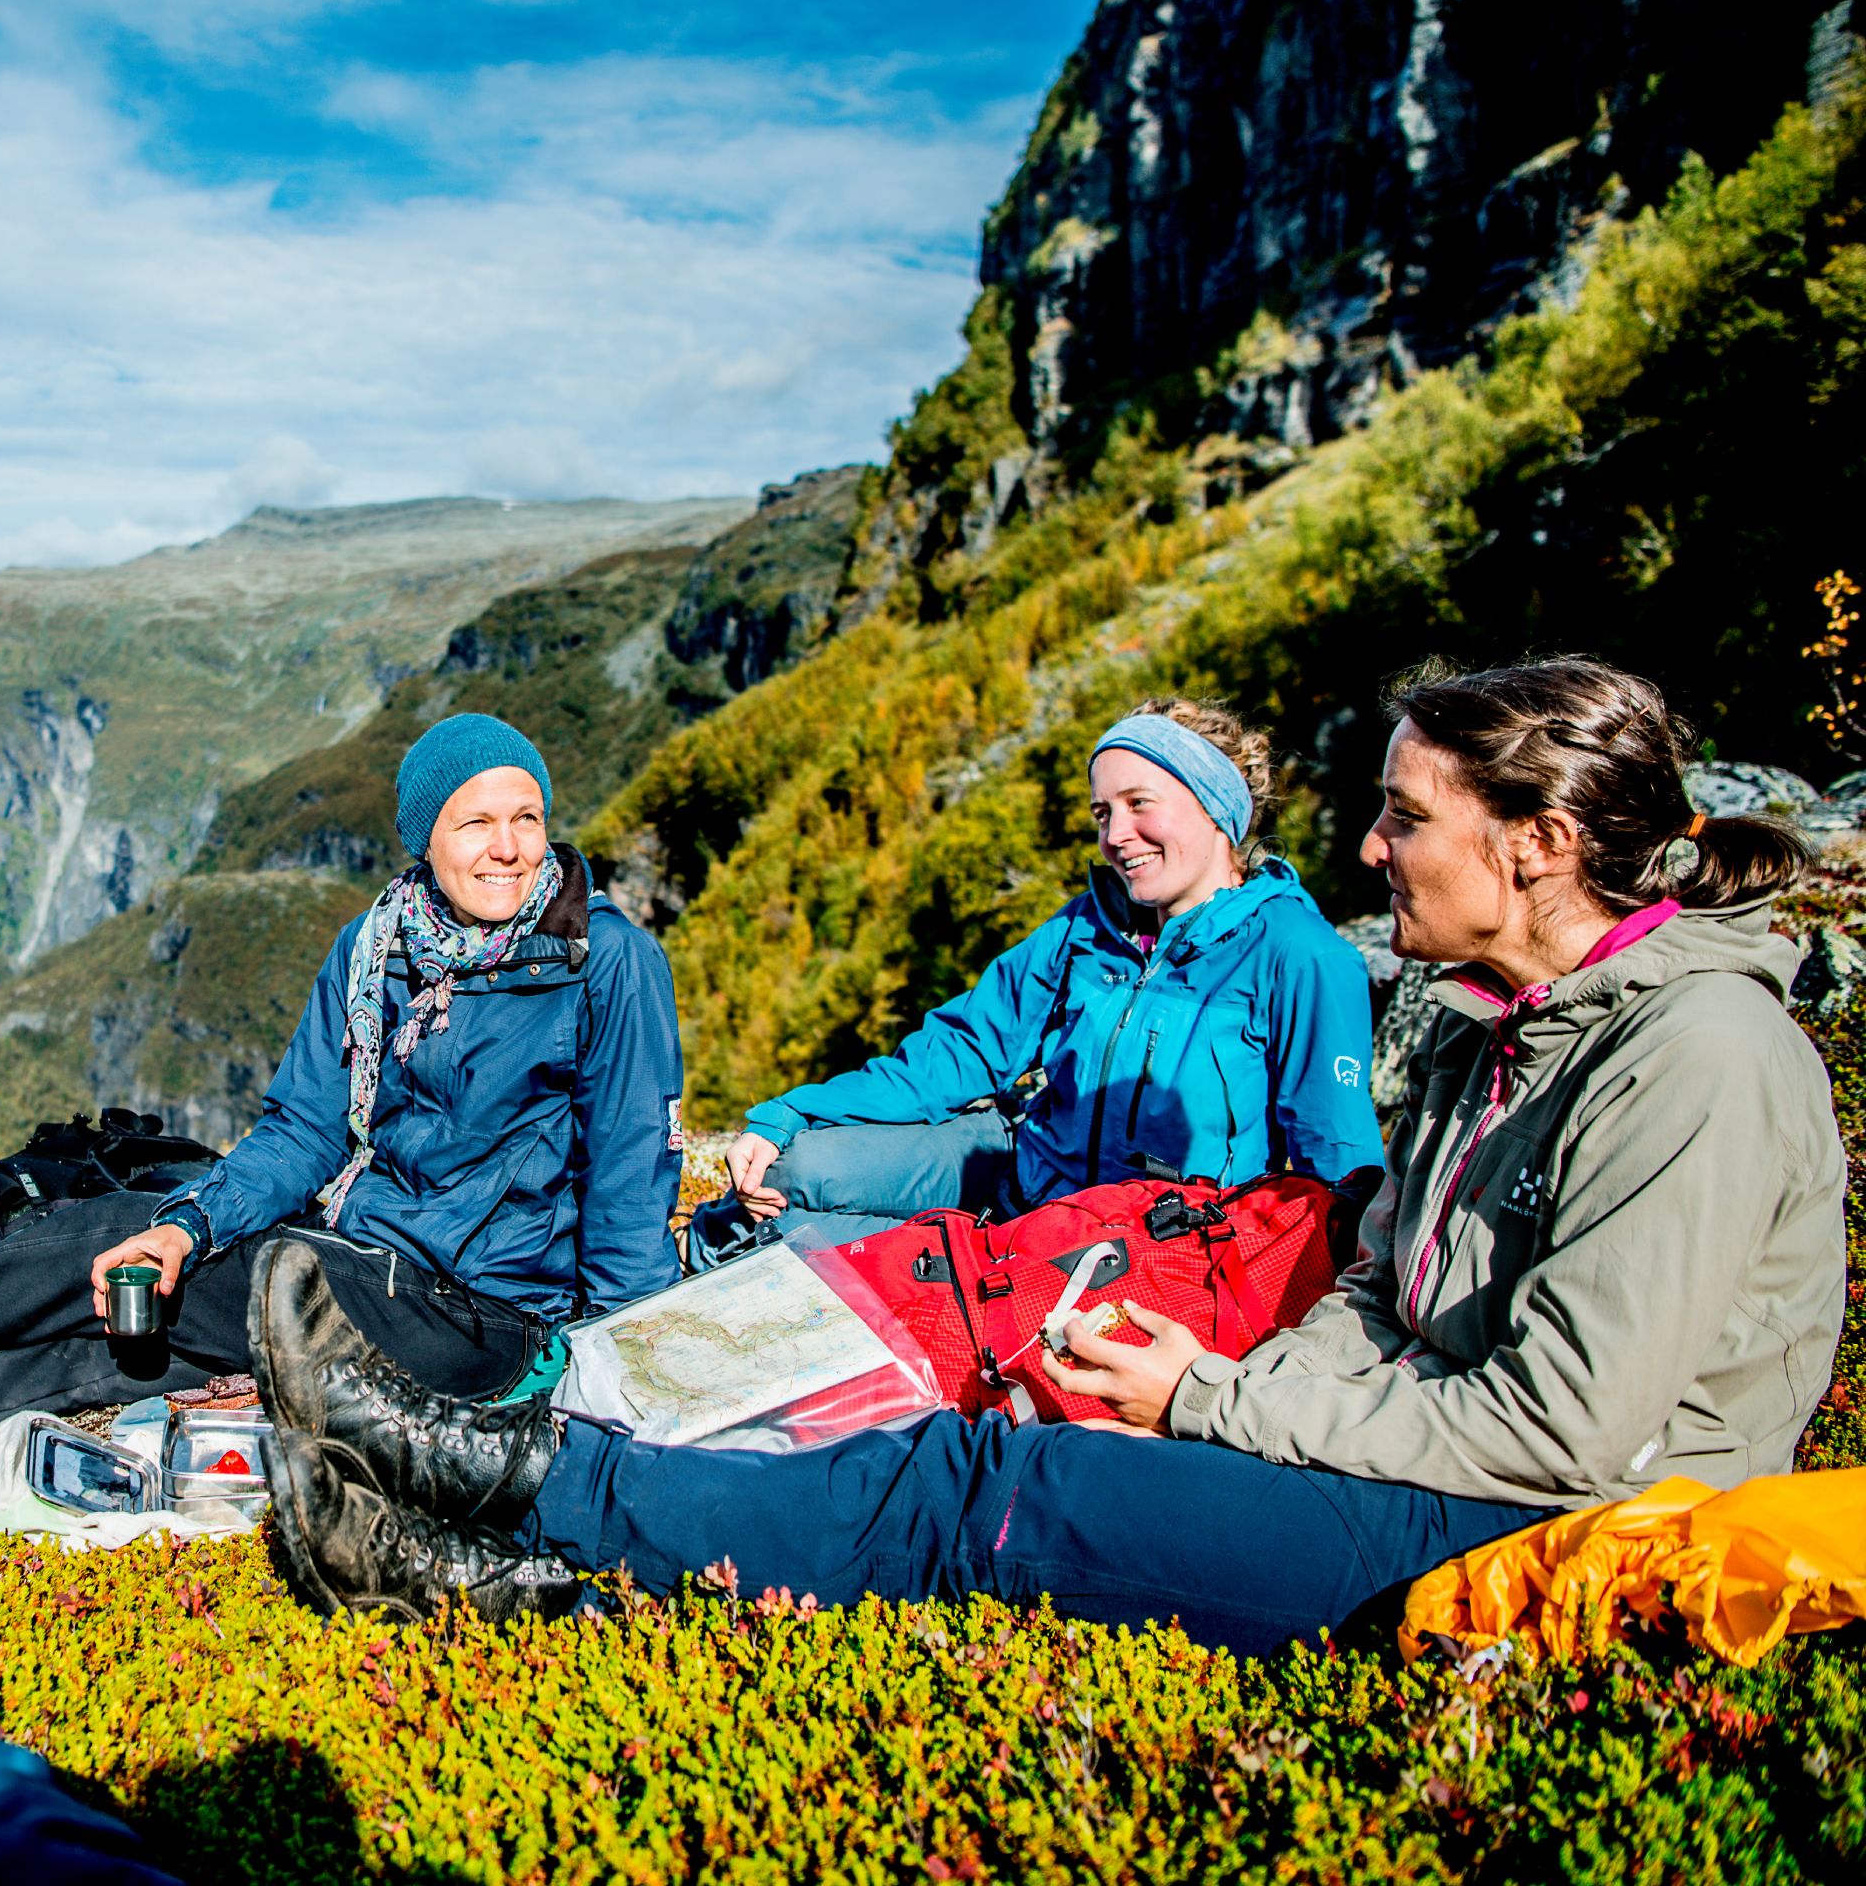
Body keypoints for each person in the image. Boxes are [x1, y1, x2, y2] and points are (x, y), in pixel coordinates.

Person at [250, 659, 1849, 1654]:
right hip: (1388, 1442)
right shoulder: (1487, 1023)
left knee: (991, 1496)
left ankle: (508, 1477)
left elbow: (1561, 1426)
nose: (1373, 850)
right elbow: (1383, 1295)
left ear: (1540, 843)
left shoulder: (1692, 1054)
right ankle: (511, 1567)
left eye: (1406, 818)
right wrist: (1230, 1389)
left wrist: (1212, 1399)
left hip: (1543, 1533)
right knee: (944, 1418)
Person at [0, 712, 688, 1450]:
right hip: (367, 1257)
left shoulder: (607, 964)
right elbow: (302, 1132)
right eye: (478, 821)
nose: (510, 848)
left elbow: (633, 1189)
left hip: (485, 1317)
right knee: (125, 1335)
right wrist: (192, 1222)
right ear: (425, 839)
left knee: (179, 1269)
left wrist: (620, 1384)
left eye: (527, 817)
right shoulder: (377, 948)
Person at [721, 697, 1384, 1244]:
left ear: (1215, 805)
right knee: (786, 1175)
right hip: (1023, 1179)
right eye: (1102, 813)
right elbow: (963, 1051)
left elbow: (1337, 1167)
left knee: (800, 1250)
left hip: (1149, 1246)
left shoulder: (1300, 955)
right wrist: (788, 1112)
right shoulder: (1088, 925)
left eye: (1139, 804)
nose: (1115, 835)